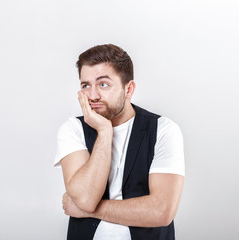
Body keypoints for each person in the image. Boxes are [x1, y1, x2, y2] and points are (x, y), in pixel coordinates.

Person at [54, 44, 185, 240]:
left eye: (103, 84)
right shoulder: (73, 129)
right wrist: (105, 131)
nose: (92, 96)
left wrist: (88, 211)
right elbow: (86, 198)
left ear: (129, 89)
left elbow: (161, 211)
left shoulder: (163, 130)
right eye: (85, 85)